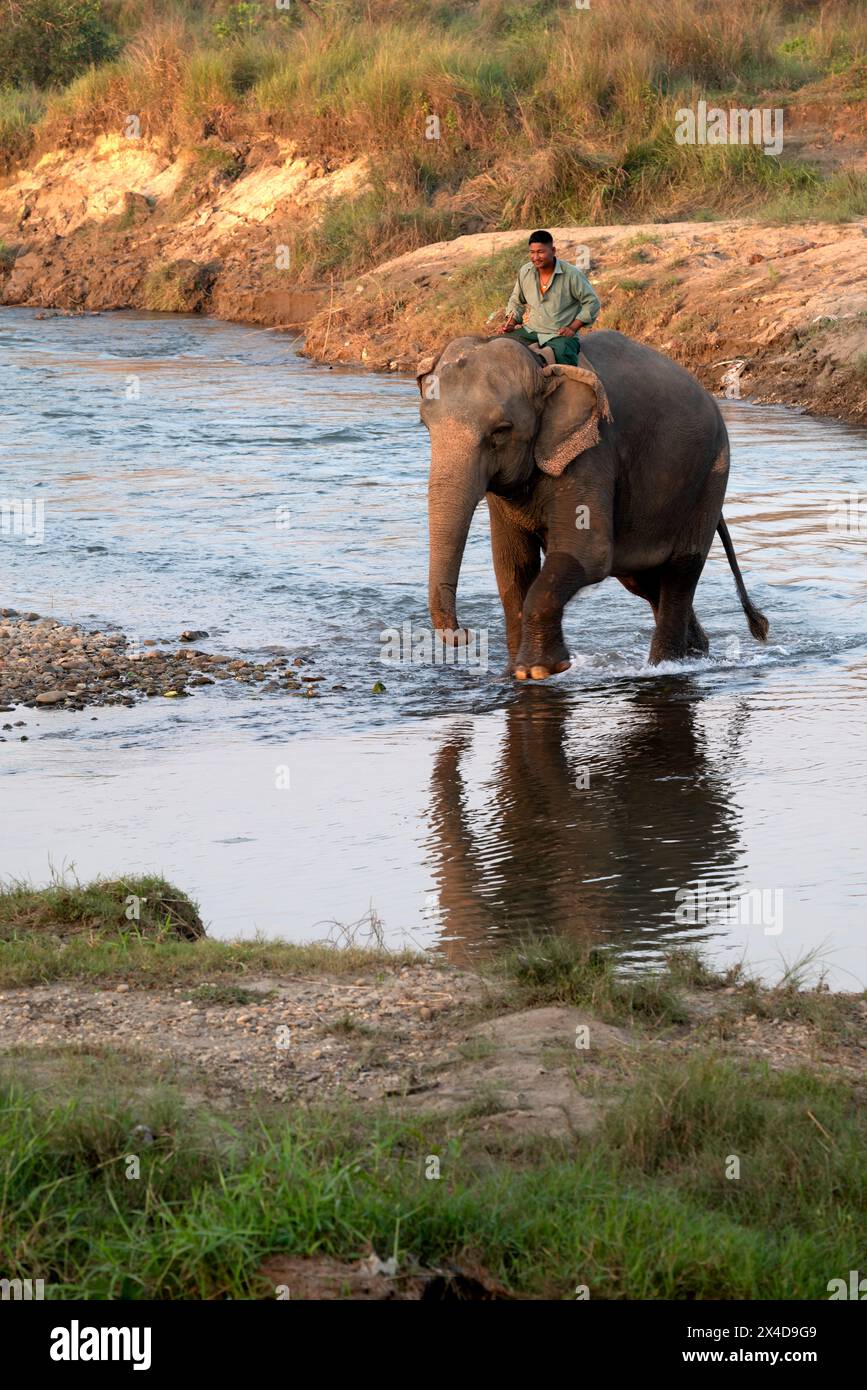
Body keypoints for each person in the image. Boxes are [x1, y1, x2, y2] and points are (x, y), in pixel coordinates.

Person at [498, 230, 600, 367]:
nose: (535, 257)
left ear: (553, 251)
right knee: (499, 344)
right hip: (530, 331)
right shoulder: (525, 272)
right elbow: (516, 301)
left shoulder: (572, 274)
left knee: (564, 354)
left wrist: (573, 327)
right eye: (532, 252)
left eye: (540, 252)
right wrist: (511, 322)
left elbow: (592, 302)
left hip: (558, 335)